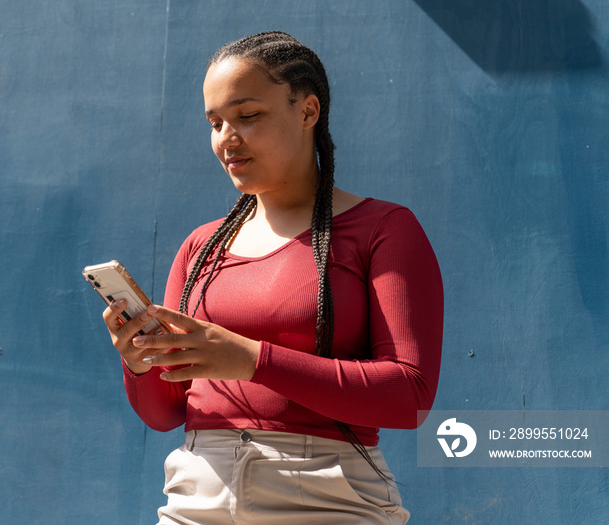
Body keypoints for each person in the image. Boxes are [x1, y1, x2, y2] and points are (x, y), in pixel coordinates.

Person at [102, 31, 443, 525]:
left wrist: (251, 359)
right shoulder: (200, 248)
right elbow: (165, 414)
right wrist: (139, 364)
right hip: (197, 500)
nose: (226, 139)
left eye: (248, 116)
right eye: (215, 122)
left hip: (326, 500)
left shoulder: (383, 229)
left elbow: (409, 397)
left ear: (308, 112)